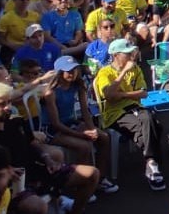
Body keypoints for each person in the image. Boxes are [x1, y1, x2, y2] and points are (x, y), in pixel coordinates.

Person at [0, 82, 99, 212]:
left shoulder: (17, 121)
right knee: (37, 206)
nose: (8, 107)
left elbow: (32, 142)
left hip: (36, 170)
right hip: (11, 185)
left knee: (92, 174)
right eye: (2, 104)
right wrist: (5, 170)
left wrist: (47, 158)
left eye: (9, 102)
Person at [94, 38, 166, 191]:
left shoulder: (136, 69)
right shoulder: (105, 73)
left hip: (135, 106)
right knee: (152, 127)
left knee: (149, 118)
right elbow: (109, 96)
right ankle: (153, 163)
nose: (130, 56)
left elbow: (144, 93)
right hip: (114, 113)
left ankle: (151, 162)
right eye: (126, 53)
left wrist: (123, 94)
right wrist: (124, 73)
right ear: (116, 55)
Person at [41, 56, 119, 194]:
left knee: (104, 137)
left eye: (74, 69)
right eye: (68, 71)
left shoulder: (79, 85)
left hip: (70, 123)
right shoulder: (50, 93)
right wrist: (81, 134)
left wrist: (91, 129)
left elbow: (85, 111)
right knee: (84, 146)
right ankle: (82, 186)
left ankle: (100, 179)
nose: (72, 73)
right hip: (53, 130)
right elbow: (56, 123)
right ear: (59, 72)